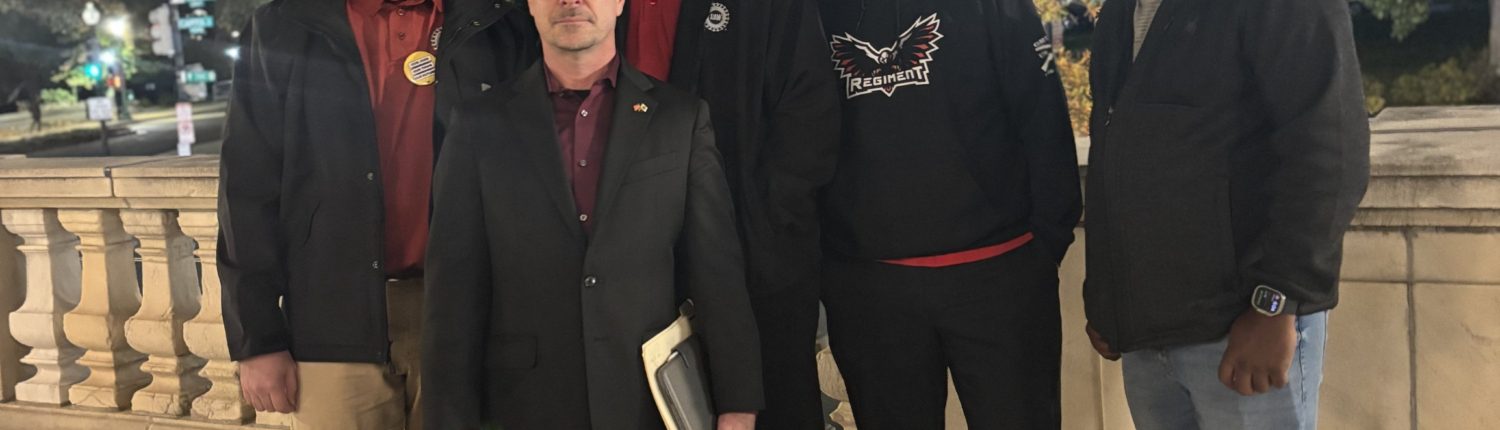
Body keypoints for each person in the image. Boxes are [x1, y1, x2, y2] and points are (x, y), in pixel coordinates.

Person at [420, 0, 762, 428]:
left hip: (647, 403)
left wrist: (738, 405)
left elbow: (717, 273)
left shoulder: (681, 119)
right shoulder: (477, 125)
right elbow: (453, 293)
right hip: (523, 406)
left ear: (619, 3)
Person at [216, 0, 534, 428]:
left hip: (467, 321)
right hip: (331, 322)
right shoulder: (286, 24)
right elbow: (247, 189)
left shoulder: (496, 19)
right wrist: (257, 340)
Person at [1082, 0, 1370, 428]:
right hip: (1147, 342)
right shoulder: (1121, 10)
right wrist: (1106, 297)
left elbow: (1331, 149)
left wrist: (1277, 303)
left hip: (1244, 334)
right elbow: (1113, 151)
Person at [815, 0, 1082, 428]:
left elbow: (1044, 120)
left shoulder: (997, 8)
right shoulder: (817, 13)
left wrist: (1042, 249)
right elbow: (800, 136)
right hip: (870, 290)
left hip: (1000, 277)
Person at [615, 1, 840, 427]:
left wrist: (763, 224)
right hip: (639, 260)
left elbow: (810, 116)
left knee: (778, 405)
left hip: (758, 260)